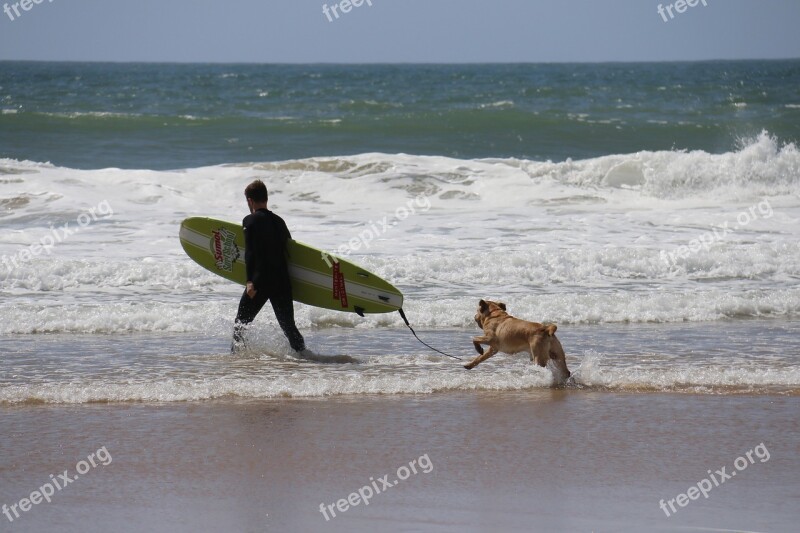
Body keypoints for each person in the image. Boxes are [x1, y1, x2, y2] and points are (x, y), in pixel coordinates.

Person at [231, 179, 306, 354]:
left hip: (260, 281)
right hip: (281, 281)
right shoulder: (279, 221)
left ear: (250, 201)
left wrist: (250, 281)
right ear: (266, 198)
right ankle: (304, 356)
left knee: (240, 324)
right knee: (289, 327)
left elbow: (250, 252)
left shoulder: (249, 220)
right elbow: (290, 250)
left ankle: (236, 359)